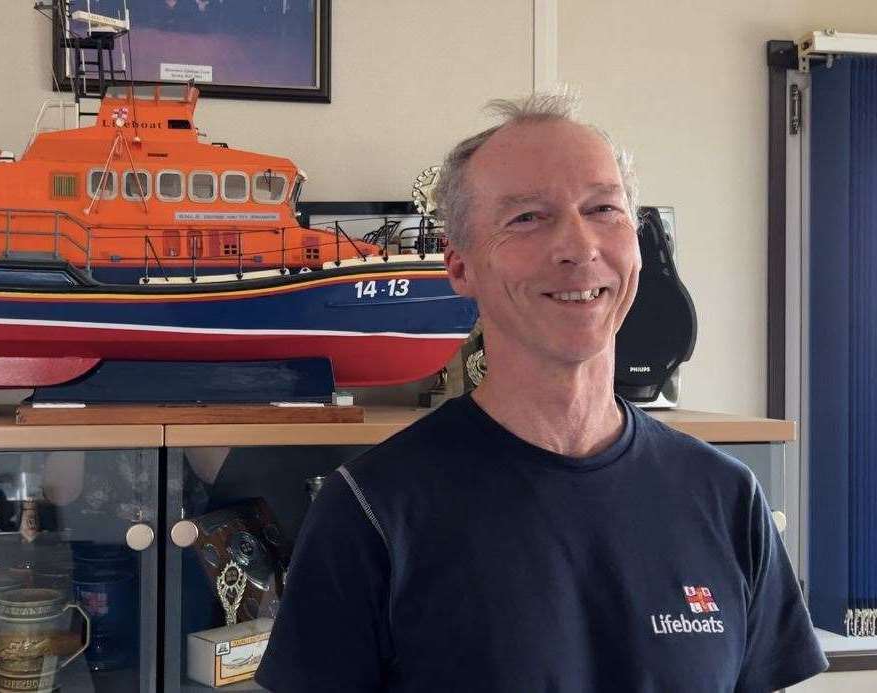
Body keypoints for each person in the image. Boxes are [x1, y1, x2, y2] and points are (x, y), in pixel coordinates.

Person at [254, 92, 828, 692]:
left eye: (604, 208)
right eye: (526, 217)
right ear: (460, 267)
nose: (579, 248)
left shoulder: (728, 498)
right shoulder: (371, 512)